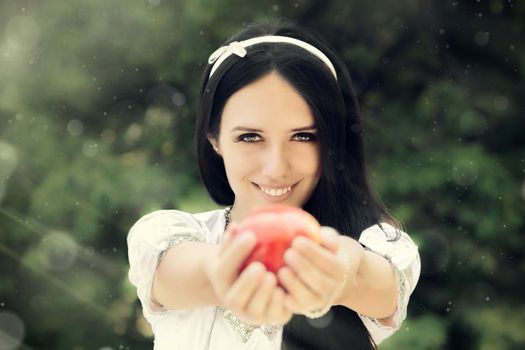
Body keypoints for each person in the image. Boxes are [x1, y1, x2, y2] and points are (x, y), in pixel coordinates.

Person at [127, 18, 420, 350]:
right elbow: (187, 272)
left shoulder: (380, 245)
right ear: (214, 138)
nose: (276, 166)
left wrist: (335, 272)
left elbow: (361, 277)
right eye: (250, 137)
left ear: (332, 141)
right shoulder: (169, 237)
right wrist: (225, 273)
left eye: (303, 136)